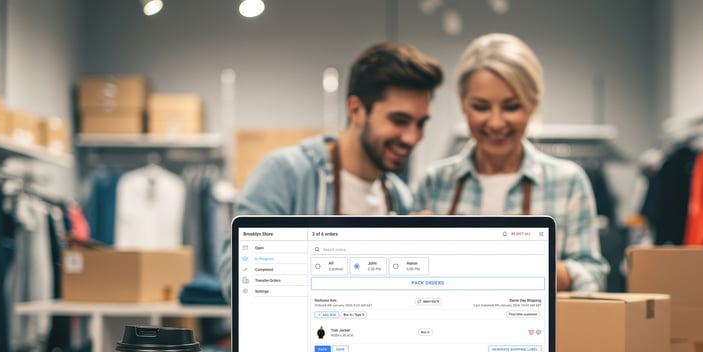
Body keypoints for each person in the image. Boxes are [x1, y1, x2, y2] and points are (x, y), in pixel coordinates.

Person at [218, 42, 444, 299]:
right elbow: (236, 281)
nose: (412, 138)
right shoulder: (285, 175)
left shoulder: (400, 197)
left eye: (421, 123)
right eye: (399, 121)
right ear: (356, 110)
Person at [413, 33, 607, 292]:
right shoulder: (434, 182)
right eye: (481, 107)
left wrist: (526, 264)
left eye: (511, 106)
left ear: (532, 103)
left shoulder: (568, 181)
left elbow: (593, 279)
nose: (495, 122)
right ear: (463, 104)